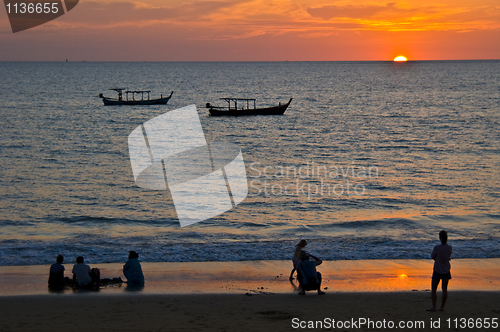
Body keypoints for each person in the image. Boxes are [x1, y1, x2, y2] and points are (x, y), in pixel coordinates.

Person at [428, 230, 452, 311]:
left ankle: (434, 307)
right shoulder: (449, 248)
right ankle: (442, 307)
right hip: (446, 269)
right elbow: (448, 257)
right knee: (444, 289)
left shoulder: (437, 248)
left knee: (434, 289)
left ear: (440, 238)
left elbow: (432, 256)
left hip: (437, 269)